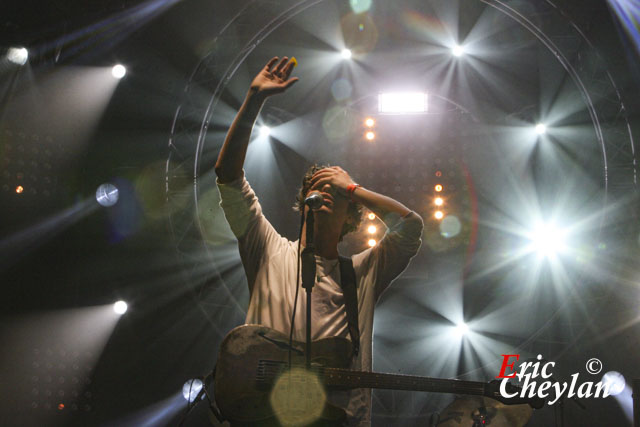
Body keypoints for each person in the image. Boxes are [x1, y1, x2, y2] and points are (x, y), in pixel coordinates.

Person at [215, 56, 423, 426]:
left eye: (337, 193)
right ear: (303, 203)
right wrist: (253, 99)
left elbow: (411, 228)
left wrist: (353, 188)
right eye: (319, 186)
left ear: (350, 216)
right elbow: (228, 176)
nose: (328, 192)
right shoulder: (268, 248)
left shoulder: (361, 272)